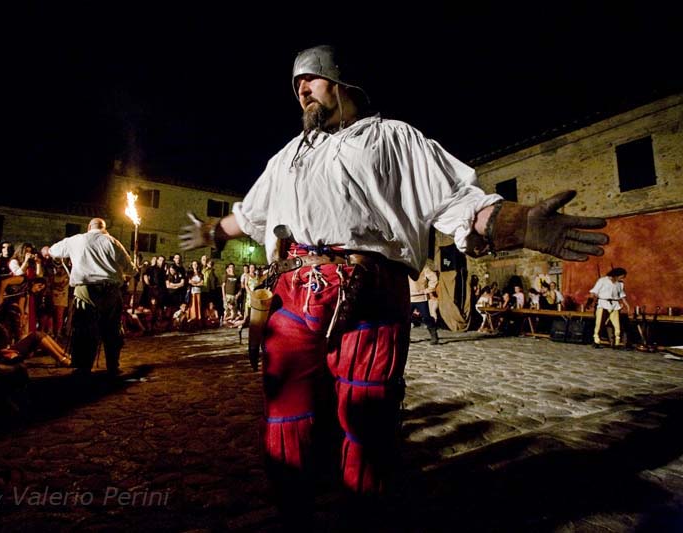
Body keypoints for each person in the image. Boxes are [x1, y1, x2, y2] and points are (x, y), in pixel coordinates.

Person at [178, 44, 608, 520]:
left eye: (311, 79)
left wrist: (516, 223)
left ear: (342, 83)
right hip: (292, 291)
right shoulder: (287, 158)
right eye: (296, 84)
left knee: (367, 412)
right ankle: (293, 510)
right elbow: (250, 214)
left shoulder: (393, 139)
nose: (301, 89)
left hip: (371, 290)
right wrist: (213, 231)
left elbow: (453, 199)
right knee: (286, 411)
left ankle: (363, 513)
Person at [42, 218, 136, 377]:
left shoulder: (76, 240)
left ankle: (83, 367)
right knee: (112, 330)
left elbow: (51, 251)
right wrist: (124, 272)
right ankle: (113, 366)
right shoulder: (112, 242)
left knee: (84, 328)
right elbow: (131, 270)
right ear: (104, 229)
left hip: (86, 290)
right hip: (111, 291)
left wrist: (47, 250)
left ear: (88, 227)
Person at [589, 267, 630, 349]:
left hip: (614, 304)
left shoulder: (620, 284)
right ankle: (596, 341)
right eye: (621, 276)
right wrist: (590, 302)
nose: (622, 278)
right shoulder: (603, 280)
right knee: (599, 323)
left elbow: (621, 295)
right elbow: (594, 291)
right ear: (616, 275)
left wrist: (627, 305)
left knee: (617, 325)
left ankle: (617, 343)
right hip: (603, 303)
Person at [408, 259, 439, 344]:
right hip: (408, 298)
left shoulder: (423, 268)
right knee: (406, 319)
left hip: (421, 298)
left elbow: (434, 278)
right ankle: (406, 337)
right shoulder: (405, 267)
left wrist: (428, 290)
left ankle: (434, 335)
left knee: (426, 317)